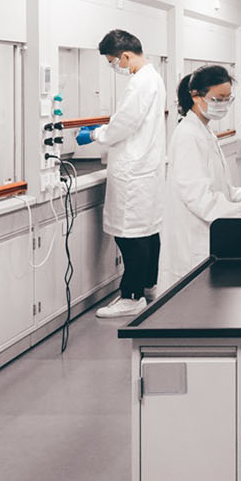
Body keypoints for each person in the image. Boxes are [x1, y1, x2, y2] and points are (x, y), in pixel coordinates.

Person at [161, 65, 241, 283]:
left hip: (208, 235)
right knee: (193, 298)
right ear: (196, 96)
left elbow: (218, 186)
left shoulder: (204, 131)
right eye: (218, 99)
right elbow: (200, 199)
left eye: (227, 99)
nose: (223, 105)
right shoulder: (188, 136)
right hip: (193, 241)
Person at [77, 30, 166, 319]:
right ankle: (149, 286)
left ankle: (131, 296)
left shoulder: (141, 82)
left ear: (125, 56)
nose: (115, 67)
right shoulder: (153, 78)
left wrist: (95, 134)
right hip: (145, 169)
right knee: (147, 231)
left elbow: (124, 124)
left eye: (113, 62)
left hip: (134, 172)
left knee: (130, 236)